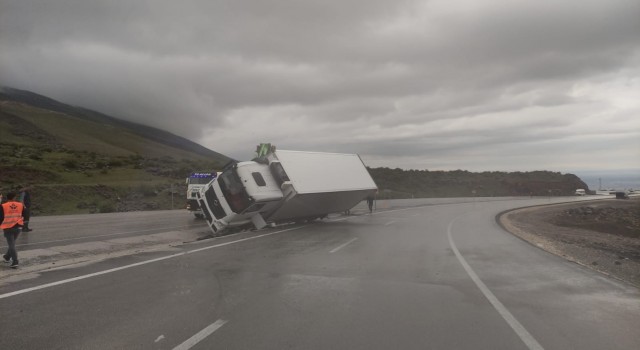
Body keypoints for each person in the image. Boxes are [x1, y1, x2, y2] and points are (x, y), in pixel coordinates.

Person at [1, 192, 26, 268]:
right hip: (18, 227)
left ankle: (15, 262)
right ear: (14, 197)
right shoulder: (20, 205)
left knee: (11, 244)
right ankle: (7, 257)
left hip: (8, 227)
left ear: (7, 198)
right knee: (12, 243)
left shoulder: (3, 206)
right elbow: (25, 214)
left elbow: (0, 217)